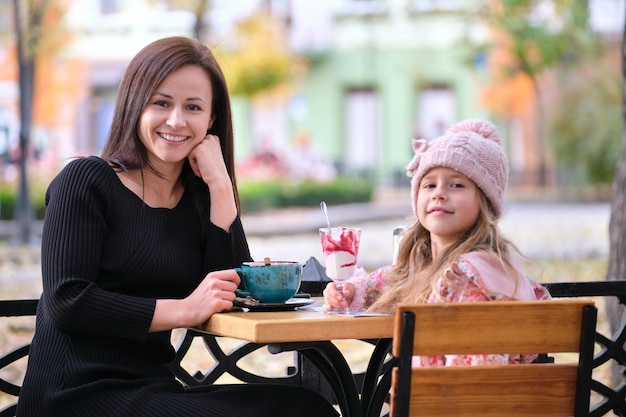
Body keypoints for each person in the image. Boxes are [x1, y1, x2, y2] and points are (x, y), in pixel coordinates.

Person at [17, 36, 338, 417]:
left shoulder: (197, 202)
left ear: (211, 119)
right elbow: (67, 301)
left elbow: (235, 291)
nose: (176, 120)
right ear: (136, 105)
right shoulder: (85, 180)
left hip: (151, 387)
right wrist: (184, 310)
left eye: (193, 107)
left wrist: (220, 185)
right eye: (161, 103)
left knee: (304, 407)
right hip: (73, 394)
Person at [323, 119, 551, 366]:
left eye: (456, 185)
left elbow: (470, 375)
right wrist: (350, 292)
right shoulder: (429, 264)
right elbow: (386, 281)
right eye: (429, 184)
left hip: (457, 401)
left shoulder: (467, 276)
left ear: (485, 201)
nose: (438, 193)